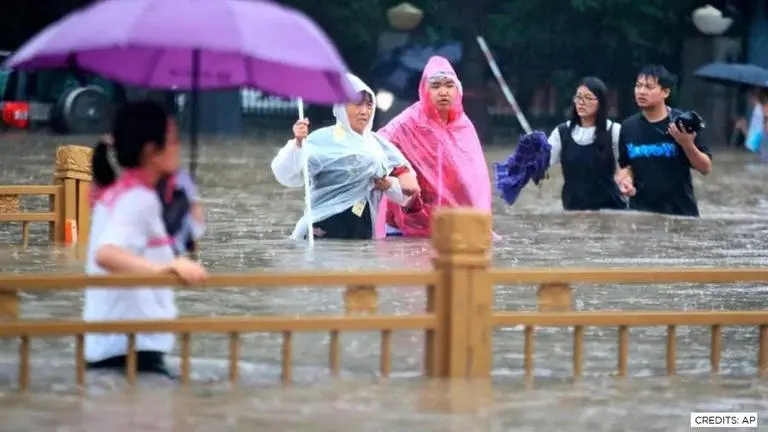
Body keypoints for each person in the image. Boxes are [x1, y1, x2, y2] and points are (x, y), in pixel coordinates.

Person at [86, 101, 207, 377]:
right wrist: (166, 269)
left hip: (119, 343)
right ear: (152, 151)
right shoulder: (138, 200)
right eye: (174, 141)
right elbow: (107, 254)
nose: (179, 148)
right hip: (130, 350)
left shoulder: (122, 193)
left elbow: (168, 241)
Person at [270, 73, 419, 240]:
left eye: (369, 105)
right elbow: (289, 175)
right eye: (357, 104)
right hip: (324, 225)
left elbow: (407, 194)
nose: (364, 111)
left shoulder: (379, 145)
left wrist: (388, 184)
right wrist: (298, 145)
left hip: (362, 225)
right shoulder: (322, 139)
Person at [374, 55, 492, 238]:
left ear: (458, 90)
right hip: (405, 224)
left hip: (447, 223)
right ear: (424, 90)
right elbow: (377, 146)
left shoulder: (463, 126)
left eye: (448, 85)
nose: (443, 92)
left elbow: (475, 178)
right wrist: (401, 171)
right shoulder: (408, 122)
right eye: (435, 86)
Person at [615, 65, 712, 217]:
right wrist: (625, 180)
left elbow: (705, 168)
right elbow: (626, 166)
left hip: (680, 215)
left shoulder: (682, 123)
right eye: (638, 86)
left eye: (649, 87)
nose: (641, 91)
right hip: (641, 215)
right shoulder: (628, 127)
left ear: (665, 92)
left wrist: (686, 144)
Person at [545, 76, 625, 211]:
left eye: (588, 98)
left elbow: (627, 167)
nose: (581, 102)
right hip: (572, 210)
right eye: (578, 97)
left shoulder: (614, 131)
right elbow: (543, 162)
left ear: (601, 102)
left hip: (609, 211)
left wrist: (625, 181)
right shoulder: (561, 132)